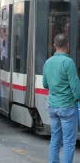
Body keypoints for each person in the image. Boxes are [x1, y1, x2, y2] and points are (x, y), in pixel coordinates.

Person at [42, 34, 80, 163]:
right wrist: (77, 99)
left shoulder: (48, 62)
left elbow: (45, 84)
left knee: (55, 140)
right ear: (67, 46)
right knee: (69, 143)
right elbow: (75, 87)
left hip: (53, 107)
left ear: (54, 45)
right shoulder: (68, 62)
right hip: (68, 107)